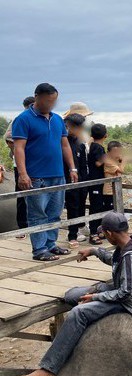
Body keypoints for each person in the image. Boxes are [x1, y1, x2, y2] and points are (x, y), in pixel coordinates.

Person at [17, 212, 132, 376]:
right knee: (72, 295)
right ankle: (74, 334)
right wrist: (94, 251)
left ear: (110, 234)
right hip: (119, 289)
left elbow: (127, 293)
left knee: (78, 312)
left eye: (104, 234)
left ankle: (49, 369)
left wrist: (97, 296)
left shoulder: (130, 257)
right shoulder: (128, 243)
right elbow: (114, 260)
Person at [11, 83, 78, 261]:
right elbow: (19, 148)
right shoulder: (23, 119)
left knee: (54, 213)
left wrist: (72, 167)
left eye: (54, 101)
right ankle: (39, 250)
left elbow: (64, 145)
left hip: (57, 175)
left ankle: (51, 244)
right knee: (37, 214)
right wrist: (23, 174)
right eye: (48, 101)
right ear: (37, 97)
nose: (51, 104)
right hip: (36, 176)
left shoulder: (57, 119)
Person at [4, 96, 36, 237]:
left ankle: (35, 224)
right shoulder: (20, 119)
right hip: (22, 165)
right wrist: (20, 152)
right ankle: (22, 226)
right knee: (22, 195)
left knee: (36, 195)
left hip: (36, 164)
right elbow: (9, 139)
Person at [63, 113, 89, 248]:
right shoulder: (62, 142)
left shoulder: (81, 144)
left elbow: (84, 165)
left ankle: (79, 228)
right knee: (72, 206)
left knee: (81, 204)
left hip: (81, 180)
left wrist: (85, 182)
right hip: (68, 180)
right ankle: (72, 235)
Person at [87, 123, 108, 245]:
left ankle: (99, 230)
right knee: (96, 206)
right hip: (95, 182)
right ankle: (93, 233)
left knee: (99, 205)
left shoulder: (94, 146)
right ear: (106, 135)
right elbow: (98, 163)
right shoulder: (97, 147)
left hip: (98, 182)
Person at [102, 141, 125, 211]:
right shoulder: (109, 162)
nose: (117, 154)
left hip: (115, 190)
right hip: (109, 191)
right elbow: (121, 170)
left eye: (118, 152)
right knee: (110, 211)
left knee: (117, 210)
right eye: (115, 152)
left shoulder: (114, 161)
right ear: (108, 152)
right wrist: (124, 161)